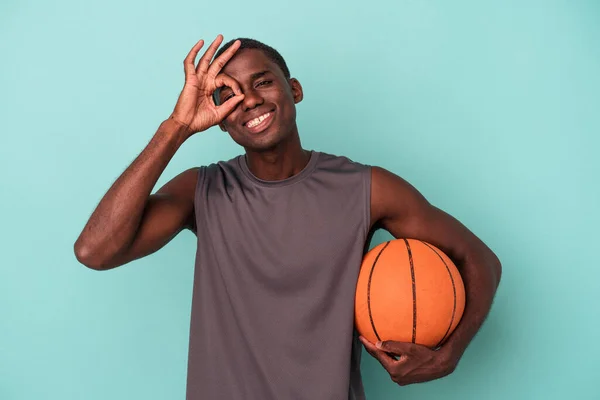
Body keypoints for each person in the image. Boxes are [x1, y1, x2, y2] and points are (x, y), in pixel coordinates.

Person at [74, 34, 502, 399]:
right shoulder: (200, 190)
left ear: (294, 89)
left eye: (262, 82)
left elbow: (479, 259)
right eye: (230, 95)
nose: (251, 100)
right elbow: (94, 250)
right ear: (220, 120)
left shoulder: (368, 189)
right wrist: (178, 125)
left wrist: (449, 355)